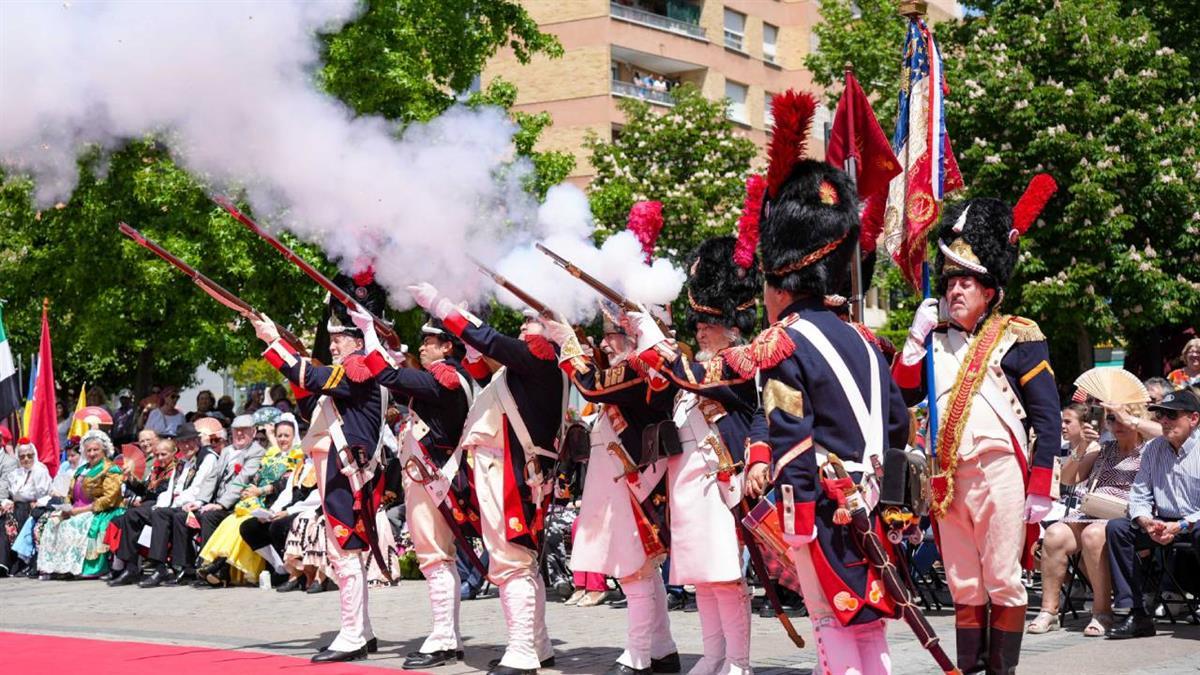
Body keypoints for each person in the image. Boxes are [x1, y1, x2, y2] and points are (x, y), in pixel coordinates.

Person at [738, 154, 909, 675]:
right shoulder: (864, 338)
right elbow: (899, 422)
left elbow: (791, 437)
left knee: (830, 621)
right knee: (869, 620)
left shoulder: (783, 343)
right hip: (875, 500)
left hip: (824, 507)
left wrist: (796, 521)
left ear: (779, 284)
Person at [893, 175, 1062, 673]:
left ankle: (1001, 670)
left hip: (999, 470)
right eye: (949, 281)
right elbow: (902, 395)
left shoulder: (1019, 336)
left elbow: (1047, 415)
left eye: (966, 281)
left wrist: (1042, 482)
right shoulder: (932, 337)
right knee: (964, 581)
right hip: (948, 478)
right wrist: (913, 339)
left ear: (991, 290)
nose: (955, 289)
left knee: (1003, 578)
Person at [628, 233, 764, 675]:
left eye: (709, 322)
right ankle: (714, 653)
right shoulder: (697, 366)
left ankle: (738, 662)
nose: (700, 329)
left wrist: (657, 345)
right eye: (698, 323)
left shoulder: (741, 360)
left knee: (725, 576)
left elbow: (697, 377)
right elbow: (667, 392)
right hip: (688, 485)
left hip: (721, 481)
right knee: (703, 578)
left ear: (732, 324)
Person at [412, 283, 565, 675]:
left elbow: (492, 342)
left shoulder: (541, 358)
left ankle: (522, 651)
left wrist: (444, 307)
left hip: (511, 472)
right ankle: (538, 645)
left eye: (532, 322)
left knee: (512, 562)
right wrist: (471, 340)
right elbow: (486, 364)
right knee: (520, 562)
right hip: (503, 470)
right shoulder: (526, 368)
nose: (524, 328)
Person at [252, 271, 389, 664]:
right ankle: (361, 630)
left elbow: (308, 375)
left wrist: (272, 341)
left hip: (347, 473)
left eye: (339, 338)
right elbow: (312, 405)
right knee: (348, 552)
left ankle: (351, 636)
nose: (333, 344)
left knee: (346, 553)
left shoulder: (360, 368)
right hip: (342, 471)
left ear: (359, 340)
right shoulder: (350, 373)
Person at [543, 306, 680, 675]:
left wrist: (567, 342)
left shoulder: (641, 367)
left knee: (634, 569)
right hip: (627, 477)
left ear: (635, 335)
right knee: (642, 571)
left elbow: (591, 385)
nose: (605, 342)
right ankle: (663, 649)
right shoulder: (641, 365)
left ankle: (637, 656)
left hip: (636, 477)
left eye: (613, 334)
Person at [356, 312, 476, 669]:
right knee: (440, 558)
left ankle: (441, 639)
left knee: (434, 559)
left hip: (433, 478)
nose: (422, 347)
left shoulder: (446, 377)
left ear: (446, 347)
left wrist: (368, 334)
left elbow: (387, 376)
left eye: (429, 342)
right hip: (433, 477)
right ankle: (448, 636)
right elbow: (399, 380)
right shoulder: (445, 377)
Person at [1028, 398, 1150, 636]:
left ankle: (1102, 611)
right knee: (1054, 534)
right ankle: (1049, 611)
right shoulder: (1104, 449)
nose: (1118, 424)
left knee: (1093, 535)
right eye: (1112, 418)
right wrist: (1083, 446)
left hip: (1124, 514)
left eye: (1123, 418)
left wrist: (1130, 418)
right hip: (1091, 508)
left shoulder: (1150, 449)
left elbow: (1157, 434)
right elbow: (1067, 479)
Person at [1105, 388, 1200, 639]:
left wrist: (1181, 525)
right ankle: (1136, 614)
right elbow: (1139, 494)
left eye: (1171, 414)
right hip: (1162, 521)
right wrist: (1145, 520)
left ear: (1193, 418)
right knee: (1117, 528)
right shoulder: (1152, 448)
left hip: (1194, 520)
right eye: (1161, 415)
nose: (1164, 421)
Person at [110, 424, 217, 587]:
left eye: (190, 441)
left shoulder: (207, 457)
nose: (186, 445)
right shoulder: (182, 462)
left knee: (160, 515)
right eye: (182, 442)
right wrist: (161, 505)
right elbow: (170, 489)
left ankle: (160, 567)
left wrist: (168, 505)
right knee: (132, 515)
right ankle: (131, 567)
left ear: (197, 440)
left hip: (193, 504)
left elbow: (197, 488)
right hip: (173, 503)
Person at [185, 414, 267, 584]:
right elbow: (212, 477)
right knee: (181, 516)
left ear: (253, 432)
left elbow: (242, 480)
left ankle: (209, 566)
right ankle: (184, 568)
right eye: (236, 431)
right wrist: (201, 501)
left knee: (209, 517)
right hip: (216, 501)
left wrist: (220, 505)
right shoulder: (227, 451)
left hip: (237, 505)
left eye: (244, 431)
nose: (239, 434)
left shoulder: (256, 452)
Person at [36, 430, 125, 578]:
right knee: (52, 522)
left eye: (95, 450)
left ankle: (80, 567)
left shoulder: (111, 469)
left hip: (100, 509)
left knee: (73, 524)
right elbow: (70, 494)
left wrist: (81, 510)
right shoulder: (81, 470)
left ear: (104, 450)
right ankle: (57, 567)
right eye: (88, 450)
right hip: (76, 509)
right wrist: (65, 508)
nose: (91, 453)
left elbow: (109, 498)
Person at [0, 439, 52, 576]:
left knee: (11, 518)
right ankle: (4, 562)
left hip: (34, 506)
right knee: (4, 517)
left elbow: (45, 493)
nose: (26, 459)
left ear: (34, 455)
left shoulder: (40, 470)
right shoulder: (17, 473)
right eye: (22, 456)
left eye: (29, 455)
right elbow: (15, 493)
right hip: (18, 506)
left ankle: (10, 563)